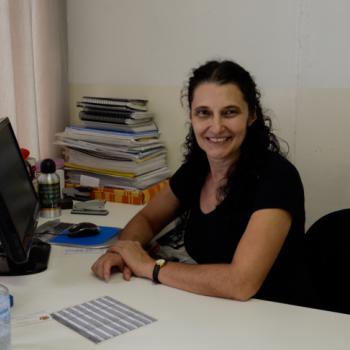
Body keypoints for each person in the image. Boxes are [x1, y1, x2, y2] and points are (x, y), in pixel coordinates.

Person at [92, 60, 317, 307]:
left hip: (275, 318)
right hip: (215, 311)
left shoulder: (277, 177)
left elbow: (241, 283)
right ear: (191, 115)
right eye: (204, 113)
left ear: (251, 115)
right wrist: (121, 252)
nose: (216, 126)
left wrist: (149, 267)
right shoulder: (198, 168)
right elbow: (148, 219)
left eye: (230, 112)